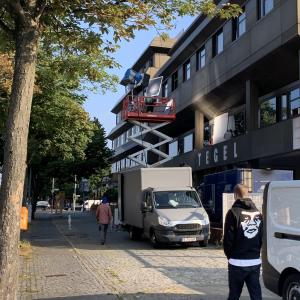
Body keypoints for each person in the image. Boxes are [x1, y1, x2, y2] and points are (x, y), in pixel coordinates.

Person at [223, 184, 263, 300]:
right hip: (254, 261)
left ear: (235, 195)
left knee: (234, 295)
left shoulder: (233, 212)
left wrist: (230, 256)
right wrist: (256, 253)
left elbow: (228, 239)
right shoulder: (258, 213)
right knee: (256, 295)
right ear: (248, 194)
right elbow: (261, 237)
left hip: (237, 262)